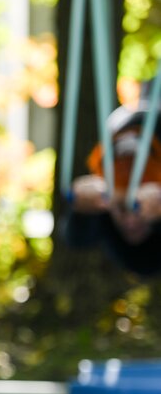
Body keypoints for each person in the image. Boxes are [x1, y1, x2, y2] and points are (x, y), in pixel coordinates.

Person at [62, 95, 161, 276]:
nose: (130, 219)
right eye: (141, 224)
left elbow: (75, 237)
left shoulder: (103, 177)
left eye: (124, 226)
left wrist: (76, 199)